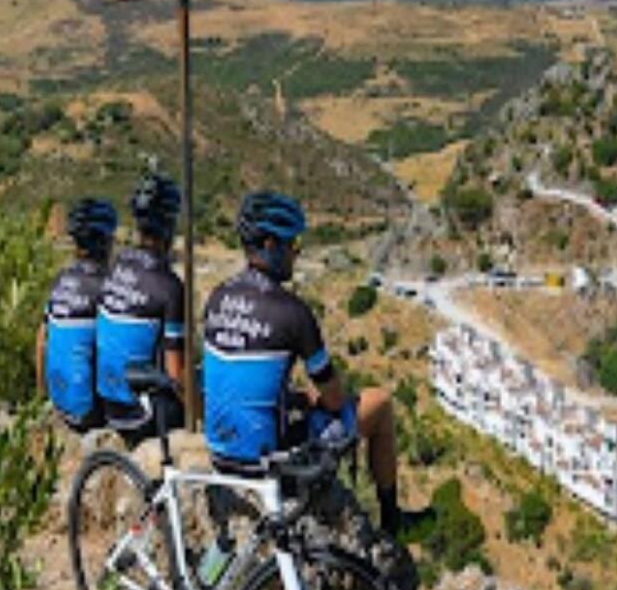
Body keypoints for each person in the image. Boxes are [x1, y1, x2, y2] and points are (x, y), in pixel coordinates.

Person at [201, 191, 402, 535]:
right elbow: (334, 400)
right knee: (379, 405)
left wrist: (294, 398)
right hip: (268, 467)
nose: (297, 253)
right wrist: (318, 399)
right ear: (270, 245)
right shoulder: (293, 313)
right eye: (292, 244)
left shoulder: (217, 297)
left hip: (220, 455)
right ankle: (393, 523)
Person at [94, 173, 187, 444]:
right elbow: (175, 373)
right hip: (139, 414)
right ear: (169, 225)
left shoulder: (118, 264)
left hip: (105, 404)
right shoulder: (169, 286)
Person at [37, 198, 119, 432]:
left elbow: (41, 340)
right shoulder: (106, 286)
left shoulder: (61, 280)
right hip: (89, 414)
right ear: (106, 242)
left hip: (58, 403)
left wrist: (42, 396)